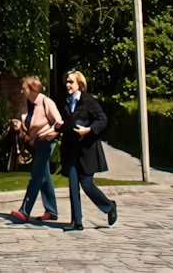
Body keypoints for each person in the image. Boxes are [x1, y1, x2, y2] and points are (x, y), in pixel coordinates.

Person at [57, 70, 117, 231]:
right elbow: (66, 123)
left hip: (87, 149)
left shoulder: (88, 100)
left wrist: (88, 130)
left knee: (87, 184)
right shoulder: (65, 102)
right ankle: (77, 221)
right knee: (73, 184)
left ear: (80, 84)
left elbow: (102, 119)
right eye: (67, 82)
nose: (68, 85)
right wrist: (57, 128)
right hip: (71, 149)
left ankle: (109, 206)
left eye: (71, 82)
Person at [9, 75, 63, 223]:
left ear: (32, 88)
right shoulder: (29, 104)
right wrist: (19, 125)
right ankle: (51, 211)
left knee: (36, 176)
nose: (22, 91)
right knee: (44, 177)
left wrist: (53, 133)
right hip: (35, 145)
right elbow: (29, 124)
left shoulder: (46, 102)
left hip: (46, 142)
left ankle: (24, 211)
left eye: (24, 88)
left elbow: (59, 122)